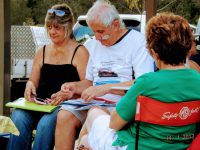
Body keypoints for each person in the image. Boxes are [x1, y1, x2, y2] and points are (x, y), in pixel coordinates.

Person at [77, 13, 200, 150]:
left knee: (93, 115)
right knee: (87, 140)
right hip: (179, 147)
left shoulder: (147, 83)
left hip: (134, 146)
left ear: (154, 52)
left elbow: (114, 123)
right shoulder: (197, 80)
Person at [54, 0, 154, 149]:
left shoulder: (137, 42)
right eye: (93, 31)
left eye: (101, 32)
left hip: (120, 104)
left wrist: (107, 88)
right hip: (93, 101)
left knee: (95, 115)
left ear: (115, 24)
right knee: (64, 115)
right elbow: (89, 82)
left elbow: (143, 82)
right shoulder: (92, 44)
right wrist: (73, 87)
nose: (97, 37)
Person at [7, 3, 88, 150]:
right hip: (39, 104)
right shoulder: (42, 51)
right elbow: (33, 81)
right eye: (49, 27)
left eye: (57, 27)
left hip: (63, 106)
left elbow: (88, 84)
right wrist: (29, 85)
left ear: (68, 26)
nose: (52, 31)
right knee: (17, 117)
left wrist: (71, 90)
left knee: (45, 124)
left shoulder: (80, 52)